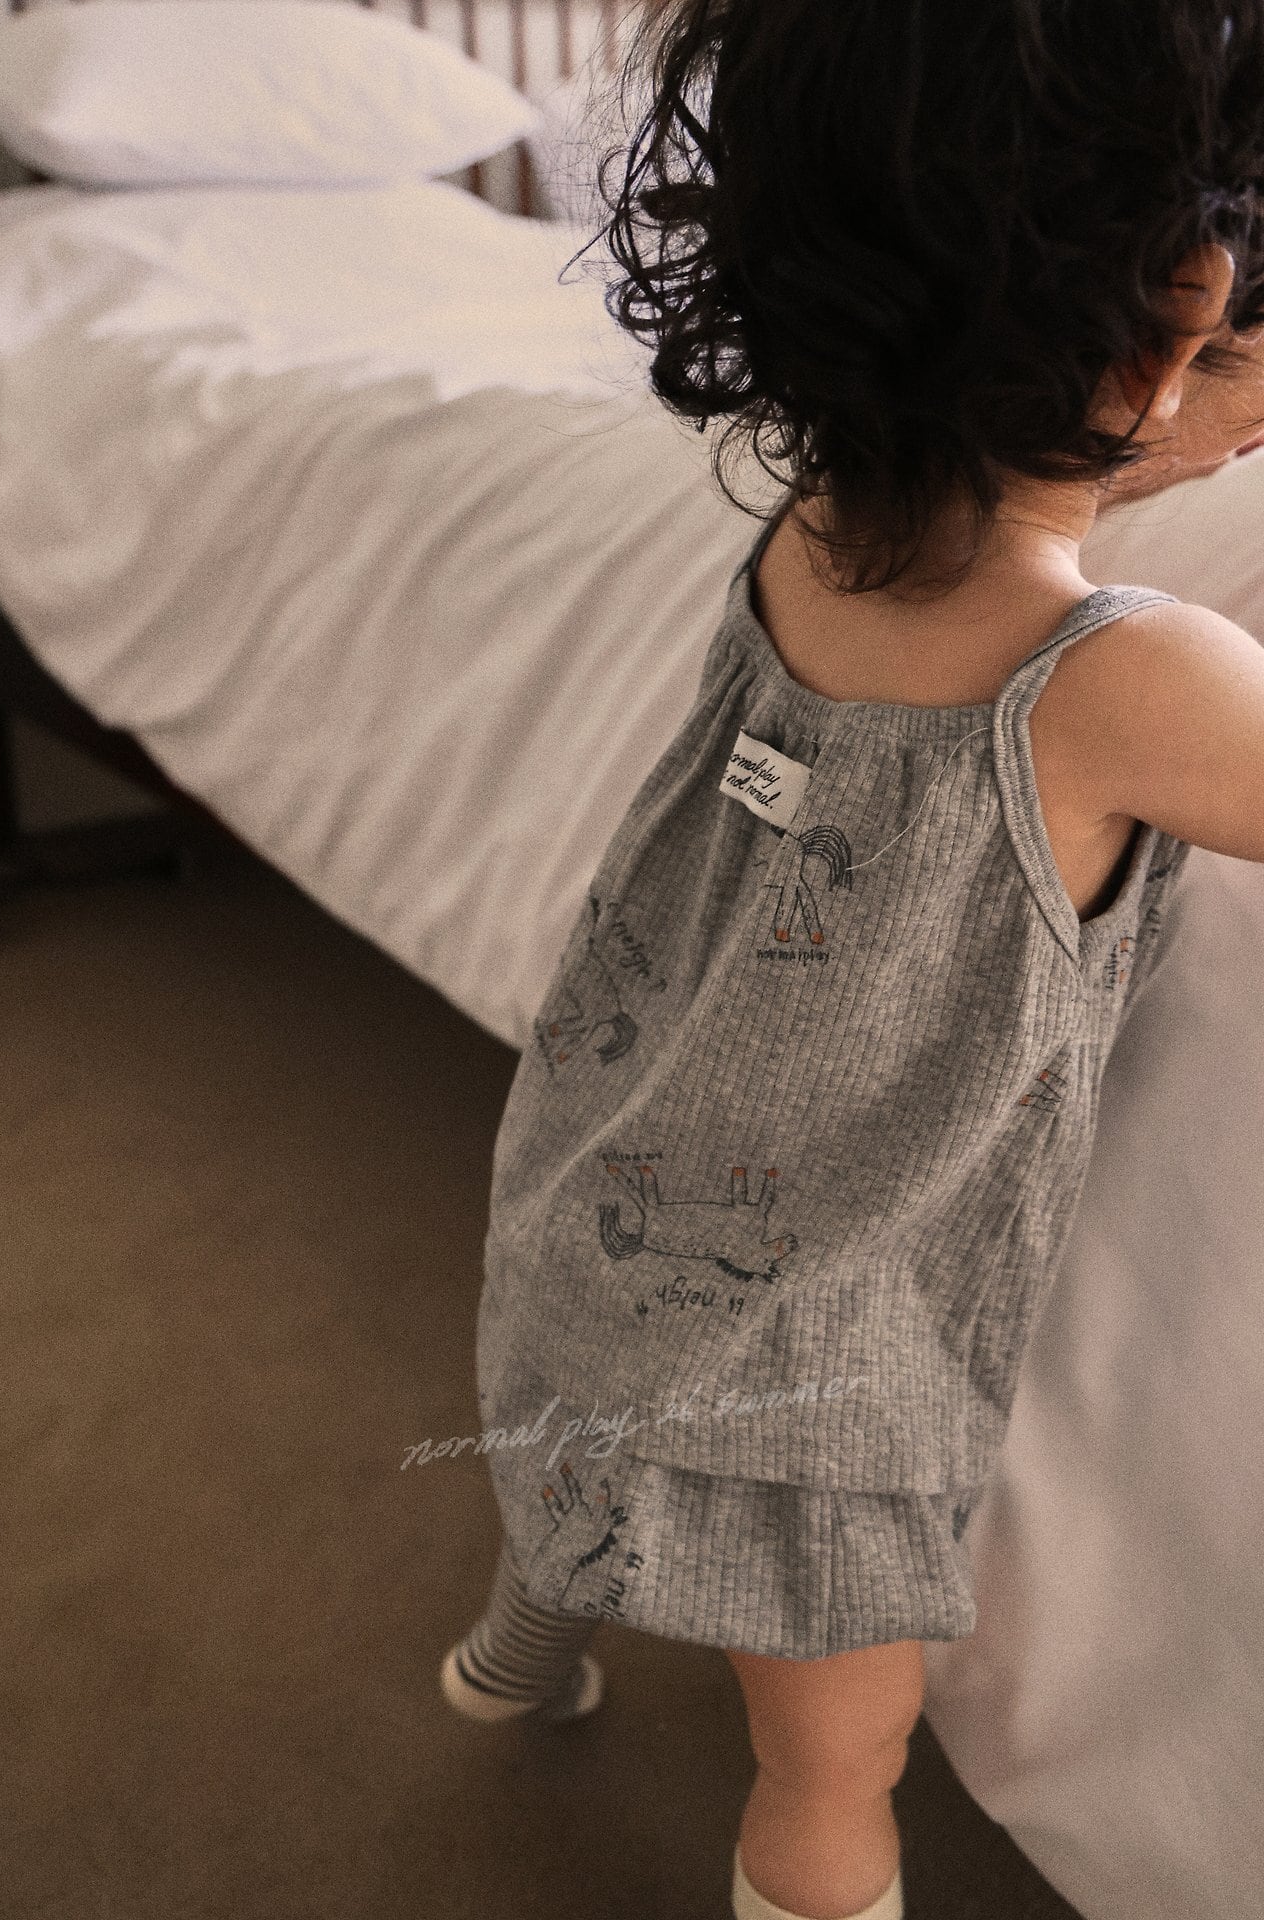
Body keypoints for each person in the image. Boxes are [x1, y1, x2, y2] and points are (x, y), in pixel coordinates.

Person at [439, 5, 1264, 1918]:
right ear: (1173, 332)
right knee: (833, 1770)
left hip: (586, 1212)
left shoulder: (811, 532)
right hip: (809, 1381)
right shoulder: (1129, 678)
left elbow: (984, 524)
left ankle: (511, 1662)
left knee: (574, 1476)